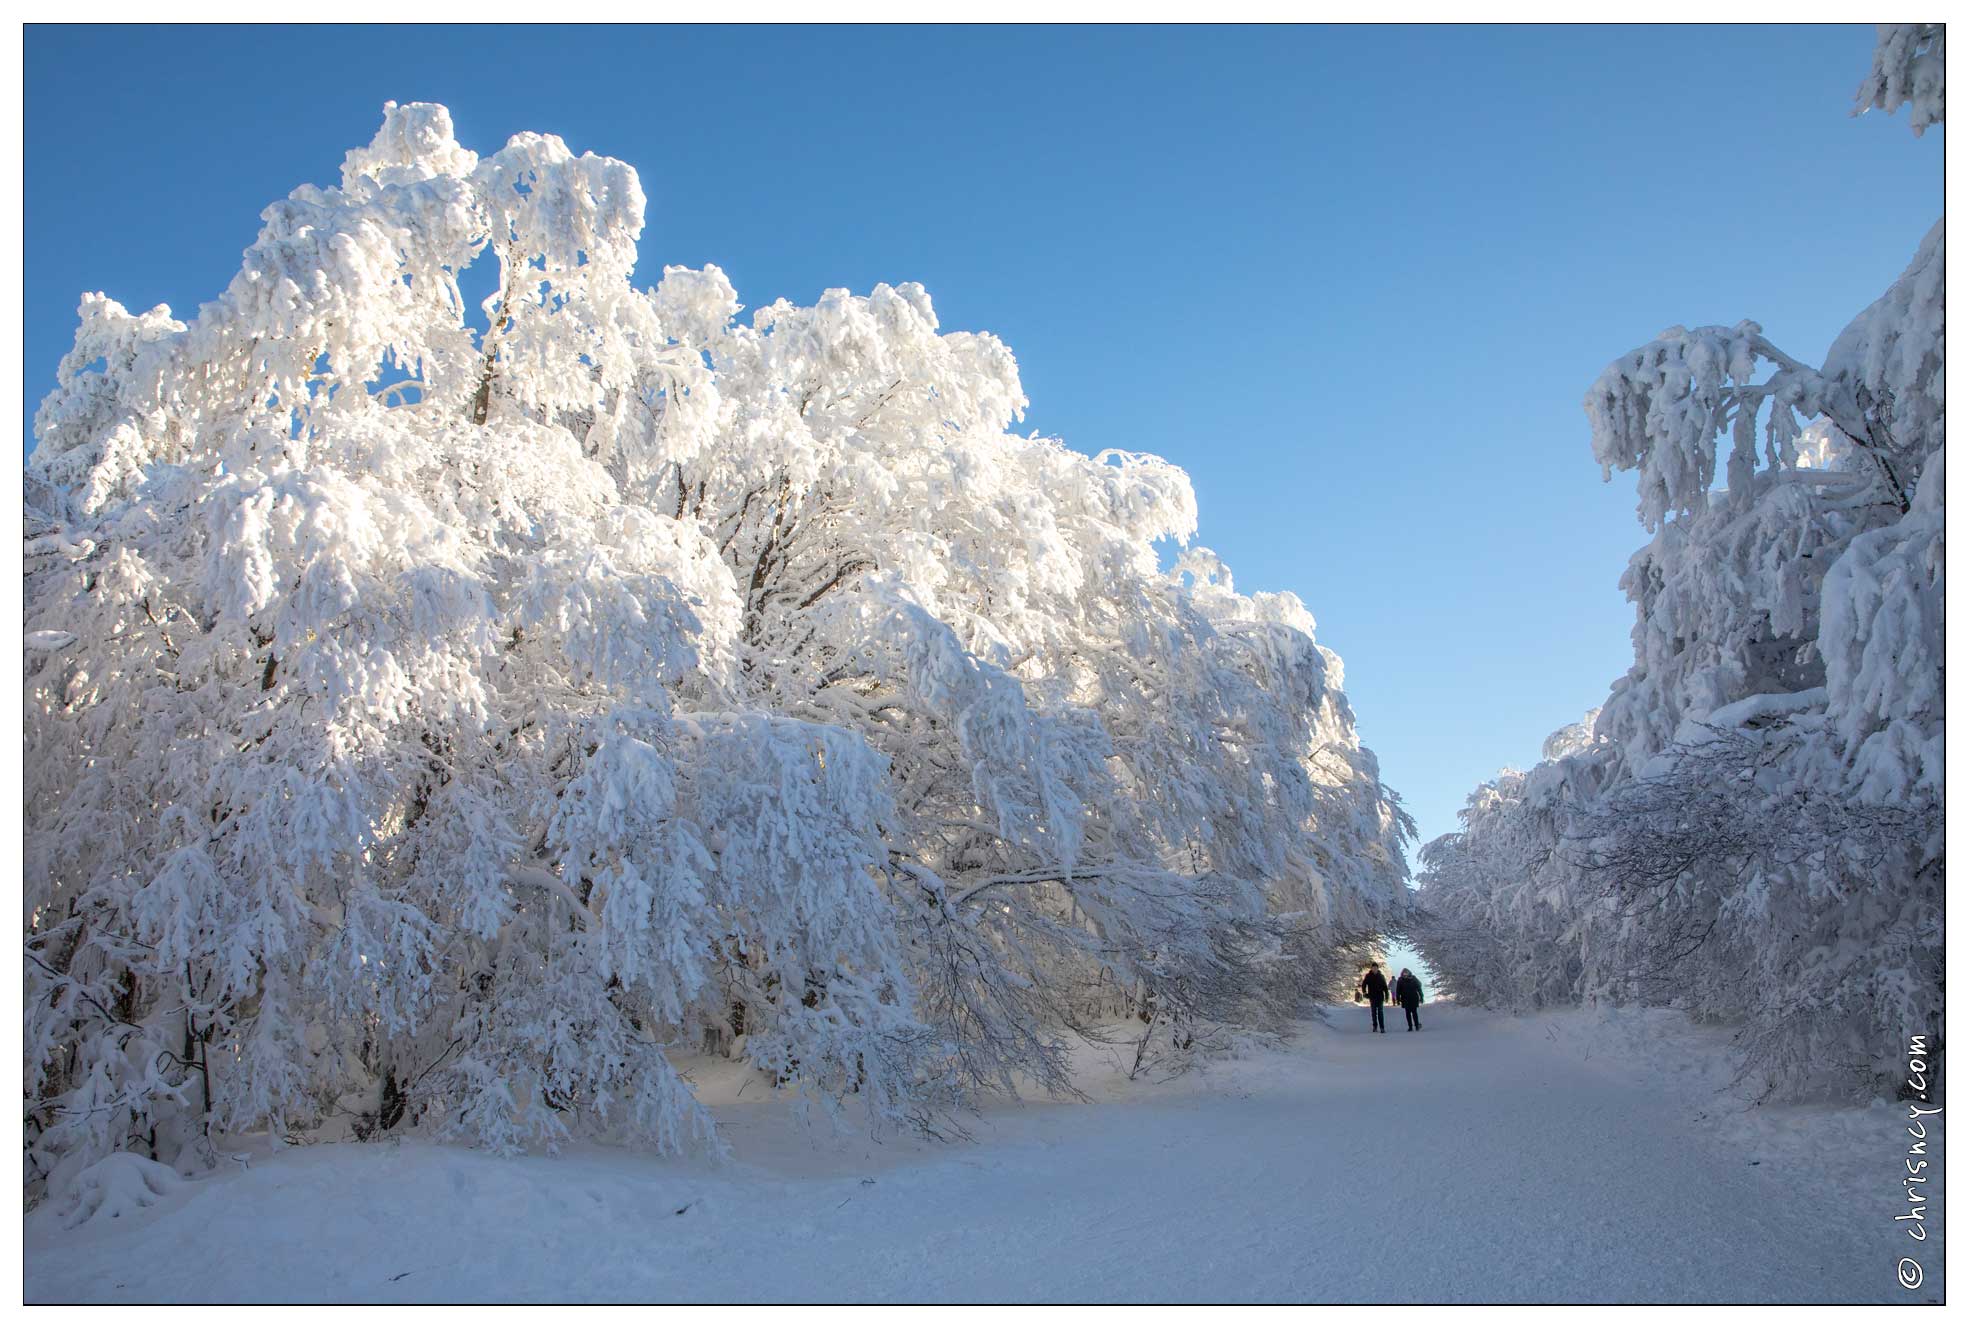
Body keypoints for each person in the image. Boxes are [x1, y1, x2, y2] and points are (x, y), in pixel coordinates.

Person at [1356, 963, 1389, 1033]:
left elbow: (1385, 987)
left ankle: (1382, 1027)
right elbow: (1364, 984)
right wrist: (1364, 992)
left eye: (1375, 968)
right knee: (1373, 1012)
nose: (1374, 969)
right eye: (1373, 968)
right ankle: (1375, 1026)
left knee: (1380, 1012)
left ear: (1377, 968)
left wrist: (1386, 996)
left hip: (1380, 996)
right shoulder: (1368, 976)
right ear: (1371, 968)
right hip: (1372, 996)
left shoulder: (1381, 976)